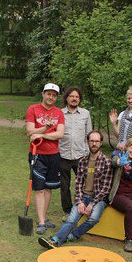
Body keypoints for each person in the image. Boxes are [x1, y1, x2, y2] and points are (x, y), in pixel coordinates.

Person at [38, 130, 113, 249]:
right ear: (87, 142)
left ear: (101, 142)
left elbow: (105, 188)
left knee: (93, 218)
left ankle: (73, 235)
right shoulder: (83, 161)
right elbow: (78, 184)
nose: (94, 144)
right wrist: (80, 201)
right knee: (71, 220)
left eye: (96, 141)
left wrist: (92, 204)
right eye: (91, 141)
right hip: (84, 196)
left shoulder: (107, 162)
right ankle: (55, 240)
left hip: (99, 199)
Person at [25, 83, 66, 235]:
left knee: (48, 188)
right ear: (43, 94)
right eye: (48, 94)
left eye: (54, 95)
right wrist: (46, 128)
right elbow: (30, 131)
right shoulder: (33, 109)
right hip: (37, 154)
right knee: (39, 189)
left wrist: (41, 134)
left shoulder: (59, 113)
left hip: (54, 154)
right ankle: (42, 222)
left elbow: (60, 134)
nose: (51, 97)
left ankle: (43, 217)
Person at [59, 86, 93, 219]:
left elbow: (89, 135)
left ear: (80, 99)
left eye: (77, 97)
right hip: (63, 154)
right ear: (66, 98)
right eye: (71, 96)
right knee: (64, 185)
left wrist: (89, 153)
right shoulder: (59, 113)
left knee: (84, 184)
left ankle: (83, 207)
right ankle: (67, 211)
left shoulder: (85, 113)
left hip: (81, 155)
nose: (74, 99)